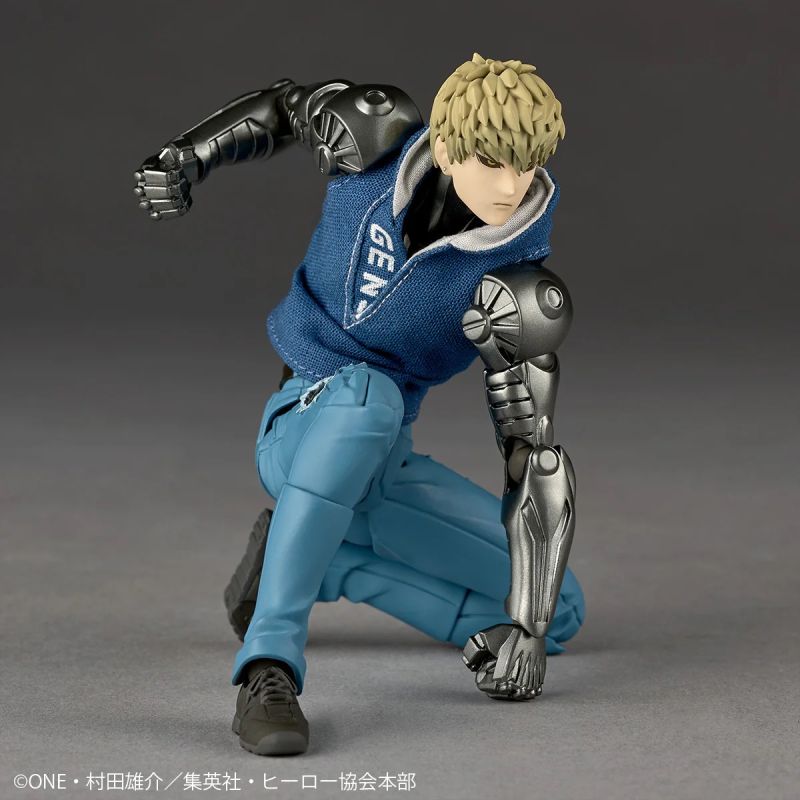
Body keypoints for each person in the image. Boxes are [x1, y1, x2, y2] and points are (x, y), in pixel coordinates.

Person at [135, 54, 584, 756]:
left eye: (527, 166)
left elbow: (536, 460)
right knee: (369, 395)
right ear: (446, 145)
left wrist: (526, 630)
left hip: (380, 461)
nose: (511, 186)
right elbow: (284, 109)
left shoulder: (513, 287)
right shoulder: (375, 141)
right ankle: (269, 663)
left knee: (560, 611)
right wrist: (186, 158)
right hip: (300, 418)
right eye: (493, 162)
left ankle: (325, 561)